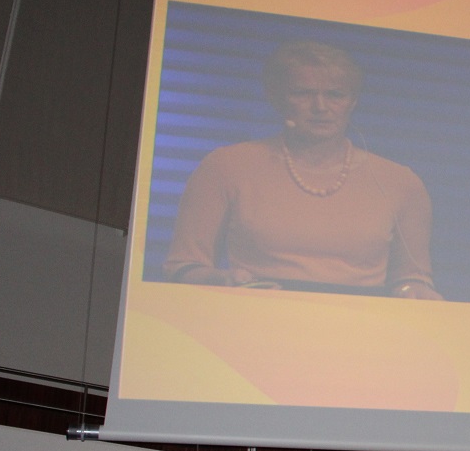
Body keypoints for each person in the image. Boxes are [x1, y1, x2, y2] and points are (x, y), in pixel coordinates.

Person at [163, 41, 442, 299]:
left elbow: (413, 279)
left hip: (362, 326)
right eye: (302, 93)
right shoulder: (226, 165)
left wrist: (414, 292)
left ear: (353, 101)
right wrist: (221, 282)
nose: (320, 107)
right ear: (276, 98)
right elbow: (184, 267)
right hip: (255, 317)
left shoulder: (400, 182)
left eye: (335, 95)